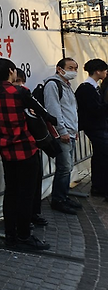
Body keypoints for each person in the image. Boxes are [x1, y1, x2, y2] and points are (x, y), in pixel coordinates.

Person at [0, 58, 55, 250]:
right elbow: (43, 113)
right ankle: (24, 236)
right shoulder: (21, 92)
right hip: (25, 147)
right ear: (11, 71)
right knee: (26, 194)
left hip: (6, 148)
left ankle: (10, 235)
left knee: (11, 192)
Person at [43, 57, 81, 214]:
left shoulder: (67, 85)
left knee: (68, 167)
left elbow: (71, 109)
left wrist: (74, 129)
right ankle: (58, 199)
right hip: (62, 134)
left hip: (70, 132)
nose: (74, 71)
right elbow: (54, 110)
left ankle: (64, 196)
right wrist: (62, 131)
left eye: (75, 68)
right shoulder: (53, 85)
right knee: (64, 167)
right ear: (59, 69)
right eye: (70, 67)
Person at [13, 69, 48, 227]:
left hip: (33, 145)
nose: (20, 85)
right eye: (16, 82)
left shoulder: (28, 95)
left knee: (35, 181)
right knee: (22, 188)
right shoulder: (7, 98)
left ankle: (34, 213)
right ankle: (23, 221)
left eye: (21, 81)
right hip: (20, 148)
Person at [75, 59, 108, 199]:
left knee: (101, 156)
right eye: (104, 70)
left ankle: (99, 185)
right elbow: (94, 109)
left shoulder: (95, 87)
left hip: (99, 126)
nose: (106, 72)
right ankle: (100, 186)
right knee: (103, 156)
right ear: (97, 71)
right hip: (94, 127)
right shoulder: (86, 88)